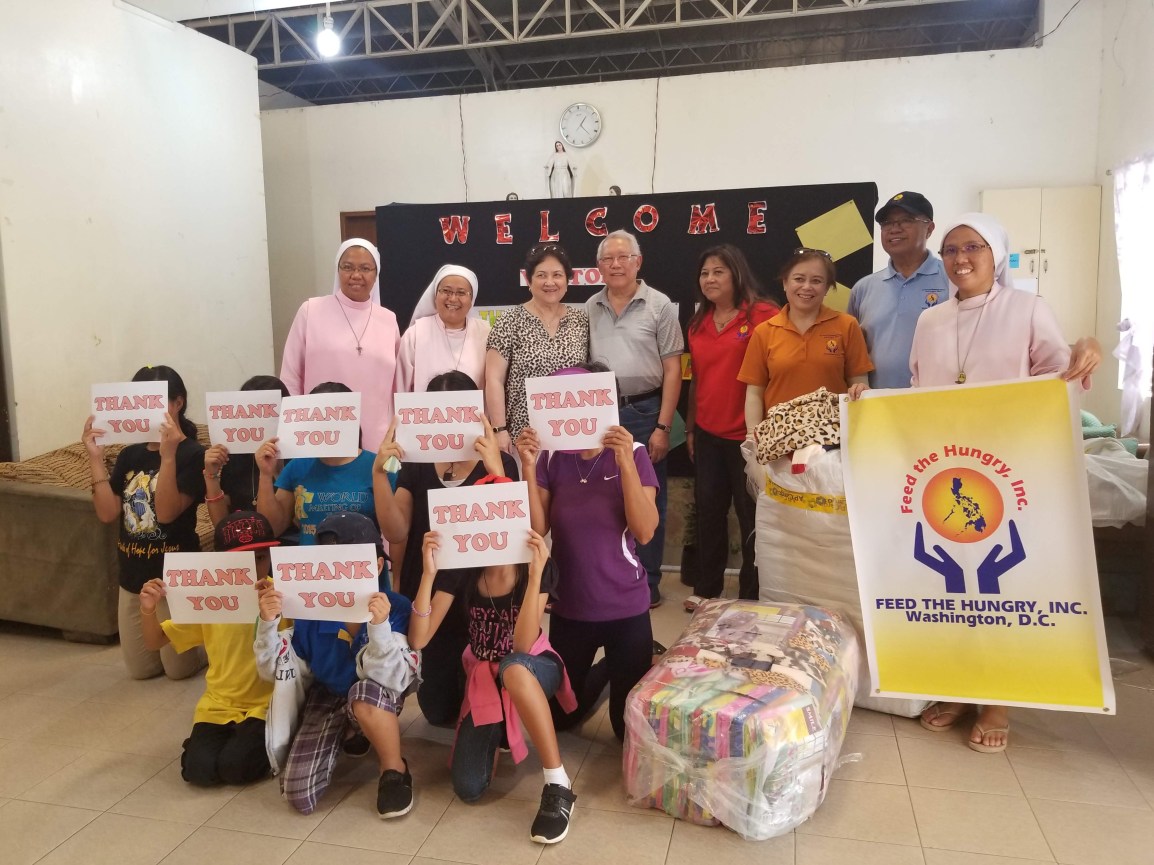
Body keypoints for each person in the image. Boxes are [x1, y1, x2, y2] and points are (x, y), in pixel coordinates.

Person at [911, 213, 1101, 753]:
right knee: (947, 585)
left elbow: (1063, 381)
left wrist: (1088, 347)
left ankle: (996, 699)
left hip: (1009, 469)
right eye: (950, 250)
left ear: (997, 255)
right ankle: (955, 685)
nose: (960, 258)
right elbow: (916, 392)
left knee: (999, 584)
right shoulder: (931, 321)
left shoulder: (1028, 310)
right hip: (945, 469)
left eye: (973, 247)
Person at [517, 366, 660, 740]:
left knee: (623, 732)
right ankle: (607, 671)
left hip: (625, 607)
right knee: (563, 718)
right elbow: (539, 527)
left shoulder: (635, 453)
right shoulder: (551, 457)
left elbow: (645, 531)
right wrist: (528, 469)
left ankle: (623, 664)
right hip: (571, 607)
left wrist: (625, 461)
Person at [410, 529, 578, 844]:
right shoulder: (463, 567)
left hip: (533, 666)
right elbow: (418, 638)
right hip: (486, 680)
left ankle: (558, 783)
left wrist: (536, 573)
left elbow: (524, 645)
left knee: (512, 668)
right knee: (468, 787)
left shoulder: (537, 563)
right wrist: (428, 574)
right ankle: (498, 729)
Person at [254, 511, 420, 817]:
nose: (338, 573)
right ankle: (348, 733)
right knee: (298, 794)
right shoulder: (309, 609)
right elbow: (274, 672)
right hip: (328, 692)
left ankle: (394, 768)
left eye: (347, 564)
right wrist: (267, 624)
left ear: (377, 565)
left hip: (376, 693)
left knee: (364, 693)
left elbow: (397, 680)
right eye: (329, 564)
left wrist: (379, 627)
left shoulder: (394, 606)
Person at [375, 371, 518, 724]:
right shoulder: (416, 463)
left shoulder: (501, 462)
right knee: (440, 713)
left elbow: (512, 541)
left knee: (485, 700)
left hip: (482, 598)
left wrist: (496, 471)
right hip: (429, 595)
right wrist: (379, 475)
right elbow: (396, 531)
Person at [137, 511, 280, 786]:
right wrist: (147, 609)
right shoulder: (210, 599)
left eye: (261, 558)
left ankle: (264, 745)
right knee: (198, 771)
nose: (254, 569)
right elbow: (154, 642)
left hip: (266, 705)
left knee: (235, 768)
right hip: (218, 703)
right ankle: (215, 743)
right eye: (243, 563)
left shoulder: (280, 598)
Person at [83, 364, 206, 681]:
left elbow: (166, 513)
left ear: (177, 403)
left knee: (179, 671)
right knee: (142, 671)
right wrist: (95, 458)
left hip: (173, 576)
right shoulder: (129, 454)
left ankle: (209, 639)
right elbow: (108, 513)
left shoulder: (193, 454)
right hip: (133, 574)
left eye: (157, 401)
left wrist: (168, 456)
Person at [586, 229, 684, 608]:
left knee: (648, 498)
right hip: (601, 412)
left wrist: (662, 427)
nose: (615, 264)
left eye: (623, 257)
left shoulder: (659, 306)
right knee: (600, 496)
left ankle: (650, 581)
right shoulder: (589, 308)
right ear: (598, 267)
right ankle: (608, 576)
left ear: (638, 262)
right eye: (608, 259)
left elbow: (673, 371)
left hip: (646, 412)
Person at [683, 245, 779, 611]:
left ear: (736, 274)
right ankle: (707, 590)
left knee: (751, 515)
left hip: (749, 437)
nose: (709, 279)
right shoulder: (698, 323)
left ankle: (751, 594)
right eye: (705, 273)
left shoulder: (764, 316)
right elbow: (698, 379)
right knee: (709, 513)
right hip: (708, 434)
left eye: (718, 271)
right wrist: (691, 429)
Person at [280, 238, 400, 455]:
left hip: (376, 439)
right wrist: (293, 432)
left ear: (376, 274)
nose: (356, 275)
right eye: (348, 267)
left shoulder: (389, 320)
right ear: (337, 270)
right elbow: (290, 376)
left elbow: (395, 387)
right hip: (320, 432)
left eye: (365, 268)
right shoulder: (311, 311)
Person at [739, 248, 874, 434]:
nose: (807, 287)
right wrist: (752, 437)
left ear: (827, 288)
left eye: (817, 281)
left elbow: (858, 383)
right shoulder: (764, 331)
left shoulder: (847, 326)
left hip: (832, 440)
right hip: (779, 440)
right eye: (799, 279)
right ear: (785, 283)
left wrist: (861, 390)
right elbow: (754, 393)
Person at [255, 382, 392, 548]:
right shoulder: (297, 466)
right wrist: (265, 474)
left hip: (362, 569)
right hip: (311, 569)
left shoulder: (377, 466)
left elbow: (396, 533)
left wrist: (397, 574)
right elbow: (272, 529)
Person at [485, 243, 589, 452]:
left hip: (572, 433)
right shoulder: (509, 321)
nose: (550, 282)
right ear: (529, 281)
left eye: (557, 275)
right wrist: (499, 429)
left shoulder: (581, 321)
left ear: (567, 281)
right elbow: (493, 379)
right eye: (541, 275)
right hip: (524, 437)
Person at [848, 191, 950, 389]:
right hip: (878, 404)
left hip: (936, 401)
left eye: (906, 220)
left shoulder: (951, 279)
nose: (894, 228)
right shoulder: (864, 288)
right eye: (887, 223)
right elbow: (852, 351)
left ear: (929, 228)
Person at [202, 375, 292, 530]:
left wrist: (268, 473)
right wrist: (211, 476)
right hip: (239, 544)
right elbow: (221, 526)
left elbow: (274, 529)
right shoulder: (234, 456)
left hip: (283, 543)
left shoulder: (294, 459)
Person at [395, 265, 490, 394]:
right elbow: (400, 388)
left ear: (471, 299)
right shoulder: (416, 334)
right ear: (435, 295)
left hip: (477, 414)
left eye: (461, 292)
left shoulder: (486, 333)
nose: (452, 298)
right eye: (446, 291)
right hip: (425, 413)